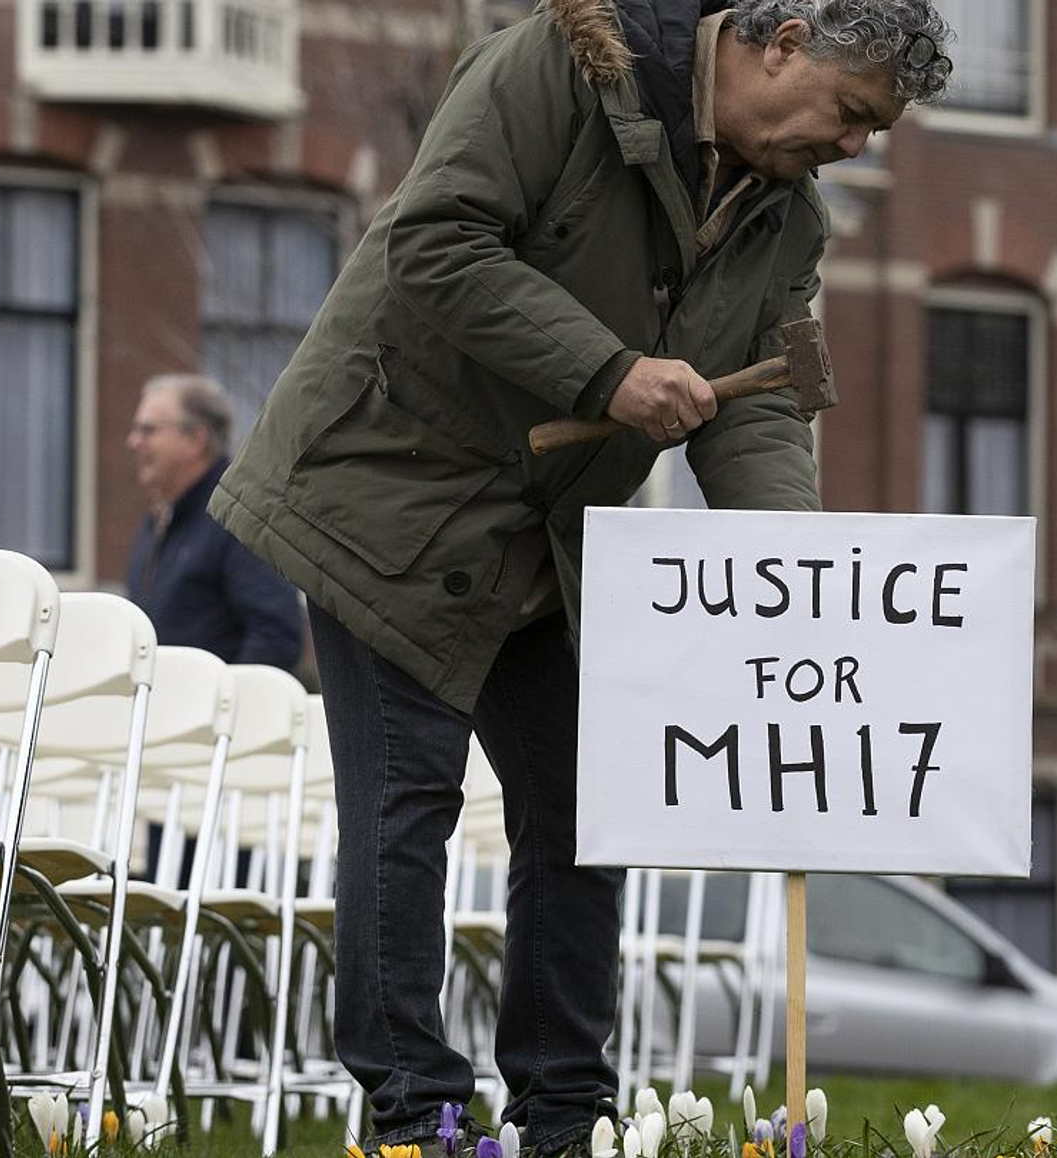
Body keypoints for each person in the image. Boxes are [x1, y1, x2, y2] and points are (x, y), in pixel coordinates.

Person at [208, 0, 952, 1152]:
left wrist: (791, 570)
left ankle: (563, 1117)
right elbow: (435, 242)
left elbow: (759, 407)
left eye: (873, 131)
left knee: (582, 811)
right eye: (850, 113)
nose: (853, 146)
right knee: (406, 807)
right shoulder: (550, 72)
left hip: (542, 542)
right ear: (782, 43)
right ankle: (416, 1119)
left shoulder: (785, 216)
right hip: (382, 498)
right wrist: (606, 373)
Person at [126, 373, 302, 667]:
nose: (133, 442)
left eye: (148, 430)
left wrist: (223, 695)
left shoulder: (239, 519)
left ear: (196, 439)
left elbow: (276, 635)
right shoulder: (157, 524)